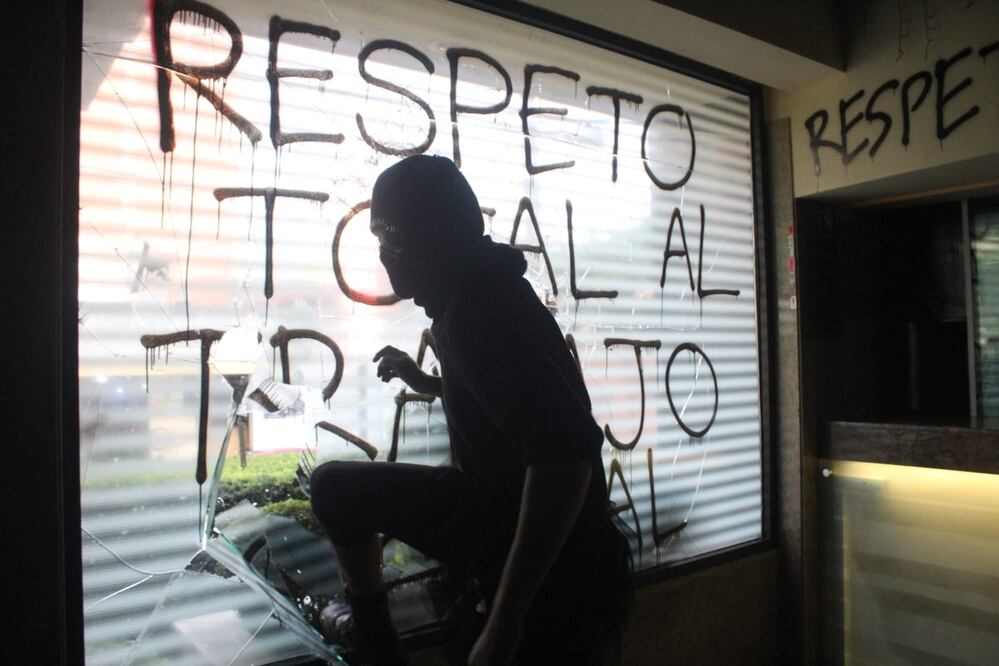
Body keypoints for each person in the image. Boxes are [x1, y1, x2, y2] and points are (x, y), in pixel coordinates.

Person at [309, 155, 631, 665]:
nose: (383, 255)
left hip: (550, 554)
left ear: (431, 239)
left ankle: (374, 640)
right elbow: (513, 403)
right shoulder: (480, 293)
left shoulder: (476, 314)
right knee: (337, 488)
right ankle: (373, 633)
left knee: (334, 489)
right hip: (511, 518)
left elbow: (566, 456)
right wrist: (429, 383)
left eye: (390, 239)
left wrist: (507, 617)